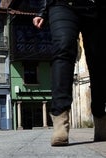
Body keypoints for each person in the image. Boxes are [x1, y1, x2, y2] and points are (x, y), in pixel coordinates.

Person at [33, 0, 106, 146]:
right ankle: (60, 121)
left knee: (98, 60)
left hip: (95, 6)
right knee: (63, 48)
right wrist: (42, 10)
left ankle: (100, 117)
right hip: (61, 4)